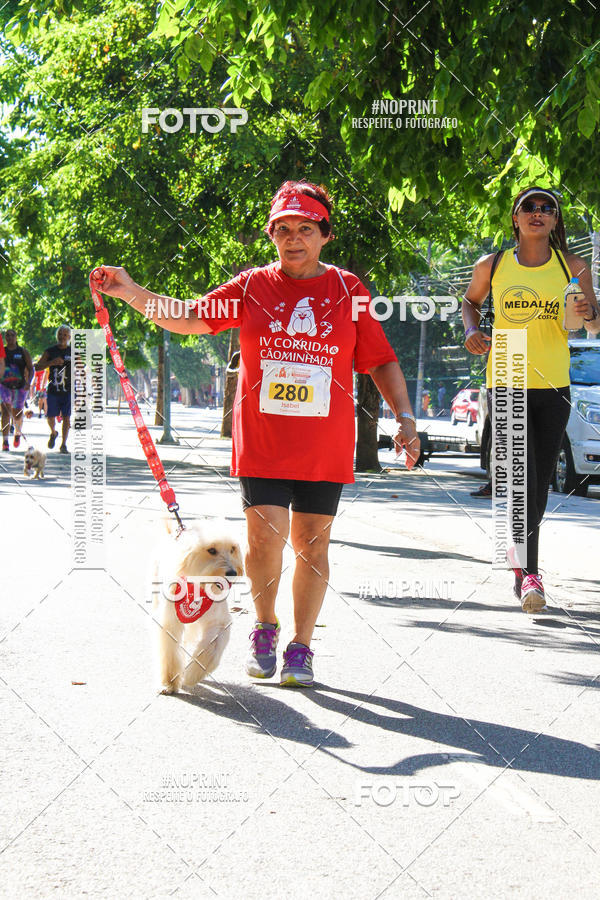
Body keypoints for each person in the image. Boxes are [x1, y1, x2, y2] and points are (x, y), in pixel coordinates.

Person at [96, 179, 420, 686]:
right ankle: (265, 628)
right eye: (284, 229)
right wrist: (131, 290)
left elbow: (379, 359)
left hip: (324, 445)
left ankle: (301, 648)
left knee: (312, 545)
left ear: (324, 235)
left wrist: (405, 418)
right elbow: (191, 318)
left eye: (305, 229)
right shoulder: (251, 287)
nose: (294, 239)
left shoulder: (349, 289)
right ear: (273, 236)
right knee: (265, 543)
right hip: (264, 443)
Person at [462, 186, 600, 612]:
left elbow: (594, 328)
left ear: (556, 221)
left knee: (538, 481)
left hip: (555, 384)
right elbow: (469, 302)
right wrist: (472, 332)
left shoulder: (573, 266)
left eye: (548, 209)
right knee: (523, 480)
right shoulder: (494, 264)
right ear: (516, 218)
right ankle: (529, 574)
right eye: (529, 207)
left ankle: (521, 564)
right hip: (507, 378)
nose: (538, 213)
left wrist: (586, 311)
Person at [35, 325, 72, 453]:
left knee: (67, 417)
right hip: (53, 390)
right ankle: (53, 432)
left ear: (69, 337)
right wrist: (51, 363)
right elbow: (37, 366)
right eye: (60, 334)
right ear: (57, 336)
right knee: (50, 416)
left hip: (68, 390)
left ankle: (63, 444)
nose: (62, 337)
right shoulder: (50, 351)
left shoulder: (73, 351)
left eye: (65, 335)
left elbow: (79, 368)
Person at [0, 329, 34, 451]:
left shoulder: (23, 351)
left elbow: (31, 369)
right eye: (7, 335)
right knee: (5, 412)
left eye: (12, 335)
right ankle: (5, 441)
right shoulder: (2, 351)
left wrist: (28, 382)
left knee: (17, 414)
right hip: (4, 386)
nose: (9, 337)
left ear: (16, 337)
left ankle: (17, 434)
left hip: (20, 386)